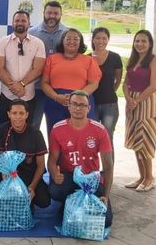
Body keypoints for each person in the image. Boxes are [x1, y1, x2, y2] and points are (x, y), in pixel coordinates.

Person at [47, 90, 113, 228]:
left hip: (91, 179)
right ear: (68, 106)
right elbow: (52, 160)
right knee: (55, 190)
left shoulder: (99, 130)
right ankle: (69, 203)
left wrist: (106, 195)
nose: (78, 108)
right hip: (70, 176)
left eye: (82, 105)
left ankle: (76, 205)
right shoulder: (57, 129)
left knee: (106, 221)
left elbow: (108, 167)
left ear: (89, 108)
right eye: (74, 104)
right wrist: (54, 174)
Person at [41, 28, 102, 138]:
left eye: (75, 39)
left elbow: (94, 84)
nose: (72, 41)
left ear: (80, 42)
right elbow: (44, 83)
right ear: (62, 41)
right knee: (57, 138)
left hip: (81, 102)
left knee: (83, 137)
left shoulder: (89, 60)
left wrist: (76, 97)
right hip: (56, 102)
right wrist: (56, 97)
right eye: (68, 38)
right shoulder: (51, 59)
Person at [123, 30, 156, 192]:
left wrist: (137, 101)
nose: (140, 44)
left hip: (146, 104)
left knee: (145, 141)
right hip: (132, 104)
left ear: (150, 43)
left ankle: (150, 178)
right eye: (137, 41)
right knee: (136, 141)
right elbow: (125, 83)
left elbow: (153, 86)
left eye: (143, 41)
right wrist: (128, 99)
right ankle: (142, 176)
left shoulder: (155, 61)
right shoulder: (133, 60)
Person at [0, 99, 50, 212]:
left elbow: (40, 165)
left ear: (27, 115)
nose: (18, 117)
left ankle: (28, 202)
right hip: (9, 173)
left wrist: (32, 187)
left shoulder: (36, 134)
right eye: (14, 113)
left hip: (29, 174)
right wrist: (4, 174)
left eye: (21, 113)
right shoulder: (2, 130)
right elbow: (1, 156)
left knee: (44, 201)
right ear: (9, 114)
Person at [0, 10, 46, 125]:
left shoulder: (38, 43)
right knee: (6, 131)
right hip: (7, 96)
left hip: (28, 97)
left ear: (29, 23)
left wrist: (21, 84)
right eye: (17, 20)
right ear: (12, 23)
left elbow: (37, 70)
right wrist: (14, 87)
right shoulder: (2, 42)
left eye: (23, 20)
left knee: (27, 134)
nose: (20, 23)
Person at [29, 1, 68, 130]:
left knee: (58, 127)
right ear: (43, 13)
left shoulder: (68, 34)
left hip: (59, 88)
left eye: (56, 13)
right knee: (33, 125)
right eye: (49, 12)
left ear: (61, 14)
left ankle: (56, 151)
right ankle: (34, 151)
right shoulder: (31, 33)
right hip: (36, 88)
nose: (52, 16)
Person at [91, 27, 123, 154]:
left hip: (109, 105)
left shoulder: (115, 57)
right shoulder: (87, 58)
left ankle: (108, 172)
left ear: (108, 40)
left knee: (107, 139)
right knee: (90, 139)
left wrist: (110, 91)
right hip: (91, 104)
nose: (101, 41)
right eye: (98, 38)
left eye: (104, 38)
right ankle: (90, 171)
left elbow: (118, 79)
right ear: (93, 40)